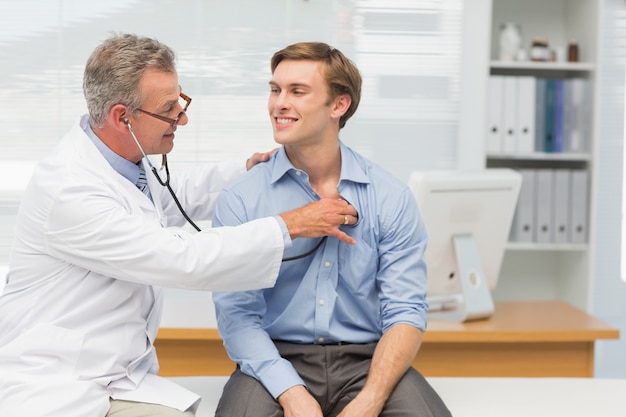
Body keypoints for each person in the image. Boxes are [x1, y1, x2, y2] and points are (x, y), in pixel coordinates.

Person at [0, 34, 358, 417]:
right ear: (123, 117)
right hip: (58, 383)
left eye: (181, 101)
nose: (182, 118)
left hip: (112, 372)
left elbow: (173, 197)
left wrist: (247, 171)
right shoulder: (70, 190)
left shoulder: (121, 163)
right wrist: (290, 224)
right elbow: (182, 258)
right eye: (170, 109)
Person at [212, 42, 451, 417]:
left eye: (297, 92)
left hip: (368, 359)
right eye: (275, 90)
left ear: (339, 105)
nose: (279, 104)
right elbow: (238, 316)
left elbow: (405, 310)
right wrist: (292, 393)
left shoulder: (390, 197)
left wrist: (371, 400)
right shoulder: (241, 199)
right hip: (275, 357)